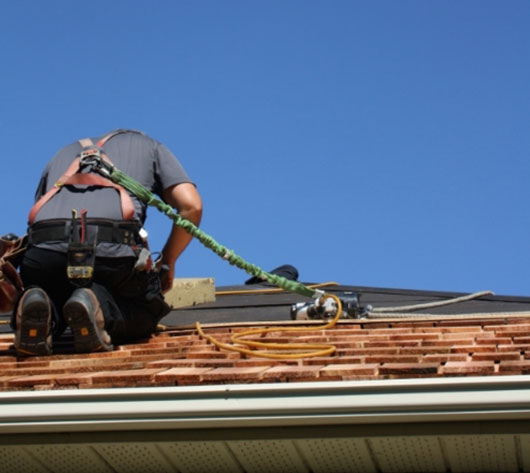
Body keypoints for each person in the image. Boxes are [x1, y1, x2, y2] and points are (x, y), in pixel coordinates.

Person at [12, 129, 202, 356]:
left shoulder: (63, 153)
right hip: (110, 249)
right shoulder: (150, 147)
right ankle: (98, 308)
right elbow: (191, 206)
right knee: (144, 312)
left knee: (58, 293)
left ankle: (38, 302)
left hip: (42, 252)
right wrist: (168, 260)